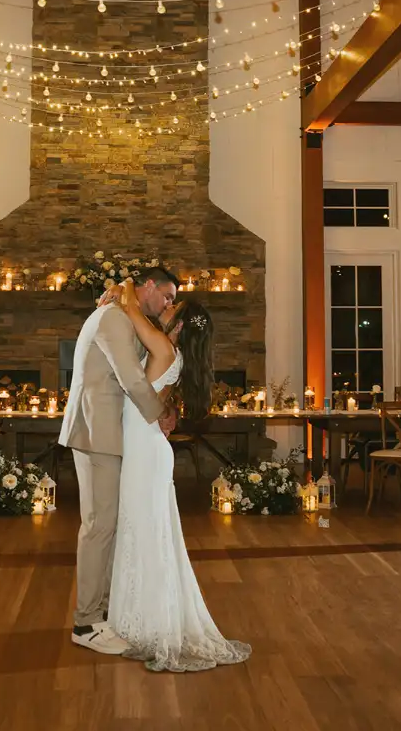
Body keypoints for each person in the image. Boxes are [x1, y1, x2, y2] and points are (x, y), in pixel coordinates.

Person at [104, 280, 251, 672]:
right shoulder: (172, 352)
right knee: (144, 532)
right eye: (167, 301)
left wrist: (126, 284)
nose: (164, 308)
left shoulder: (164, 345)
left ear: (182, 326)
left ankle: (147, 624)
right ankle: (140, 619)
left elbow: (132, 308)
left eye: (172, 307)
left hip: (146, 452)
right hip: (148, 447)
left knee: (144, 532)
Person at [58, 267, 179, 655]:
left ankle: (101, 613)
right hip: (97, 432)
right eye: (167, 296)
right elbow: (129, 376)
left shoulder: (120, 313)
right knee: (99, 526)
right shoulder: (111, 317)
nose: (168, 304)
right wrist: (159, 412)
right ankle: (87, 623)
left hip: (108, 432)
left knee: (106, 525)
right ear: (148, 287)